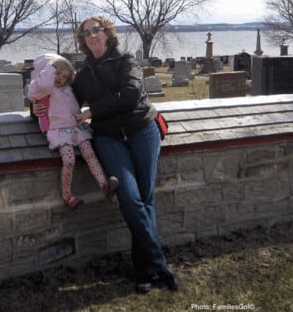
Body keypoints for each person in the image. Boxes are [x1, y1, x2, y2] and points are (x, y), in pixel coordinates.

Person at [35, 16, 179, 294]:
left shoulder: (125, 59)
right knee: (129, 196)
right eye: (86, 32)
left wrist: (93, 111)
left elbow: (132, 93)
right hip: (109, 137)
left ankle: (144, 271)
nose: (92, 36)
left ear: (107, 34)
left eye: (96, 30)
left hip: (142, 130)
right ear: (83, 39)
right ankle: (159, 262)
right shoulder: (83, 73)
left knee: (146, 198)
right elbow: (60, 96)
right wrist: (36, 109)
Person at [28, 53, 119, 209]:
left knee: (90, 154)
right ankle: (67, 196)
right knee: (69, 161)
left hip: (76, 129)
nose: (59, 78)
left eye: (64, 76)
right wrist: (51, 67)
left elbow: (74, 105)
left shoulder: (68, 89)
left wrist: (80, 116)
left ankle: (104, 185)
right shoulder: (46, 90)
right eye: (57, 74)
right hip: (59, 131)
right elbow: (37, 87)